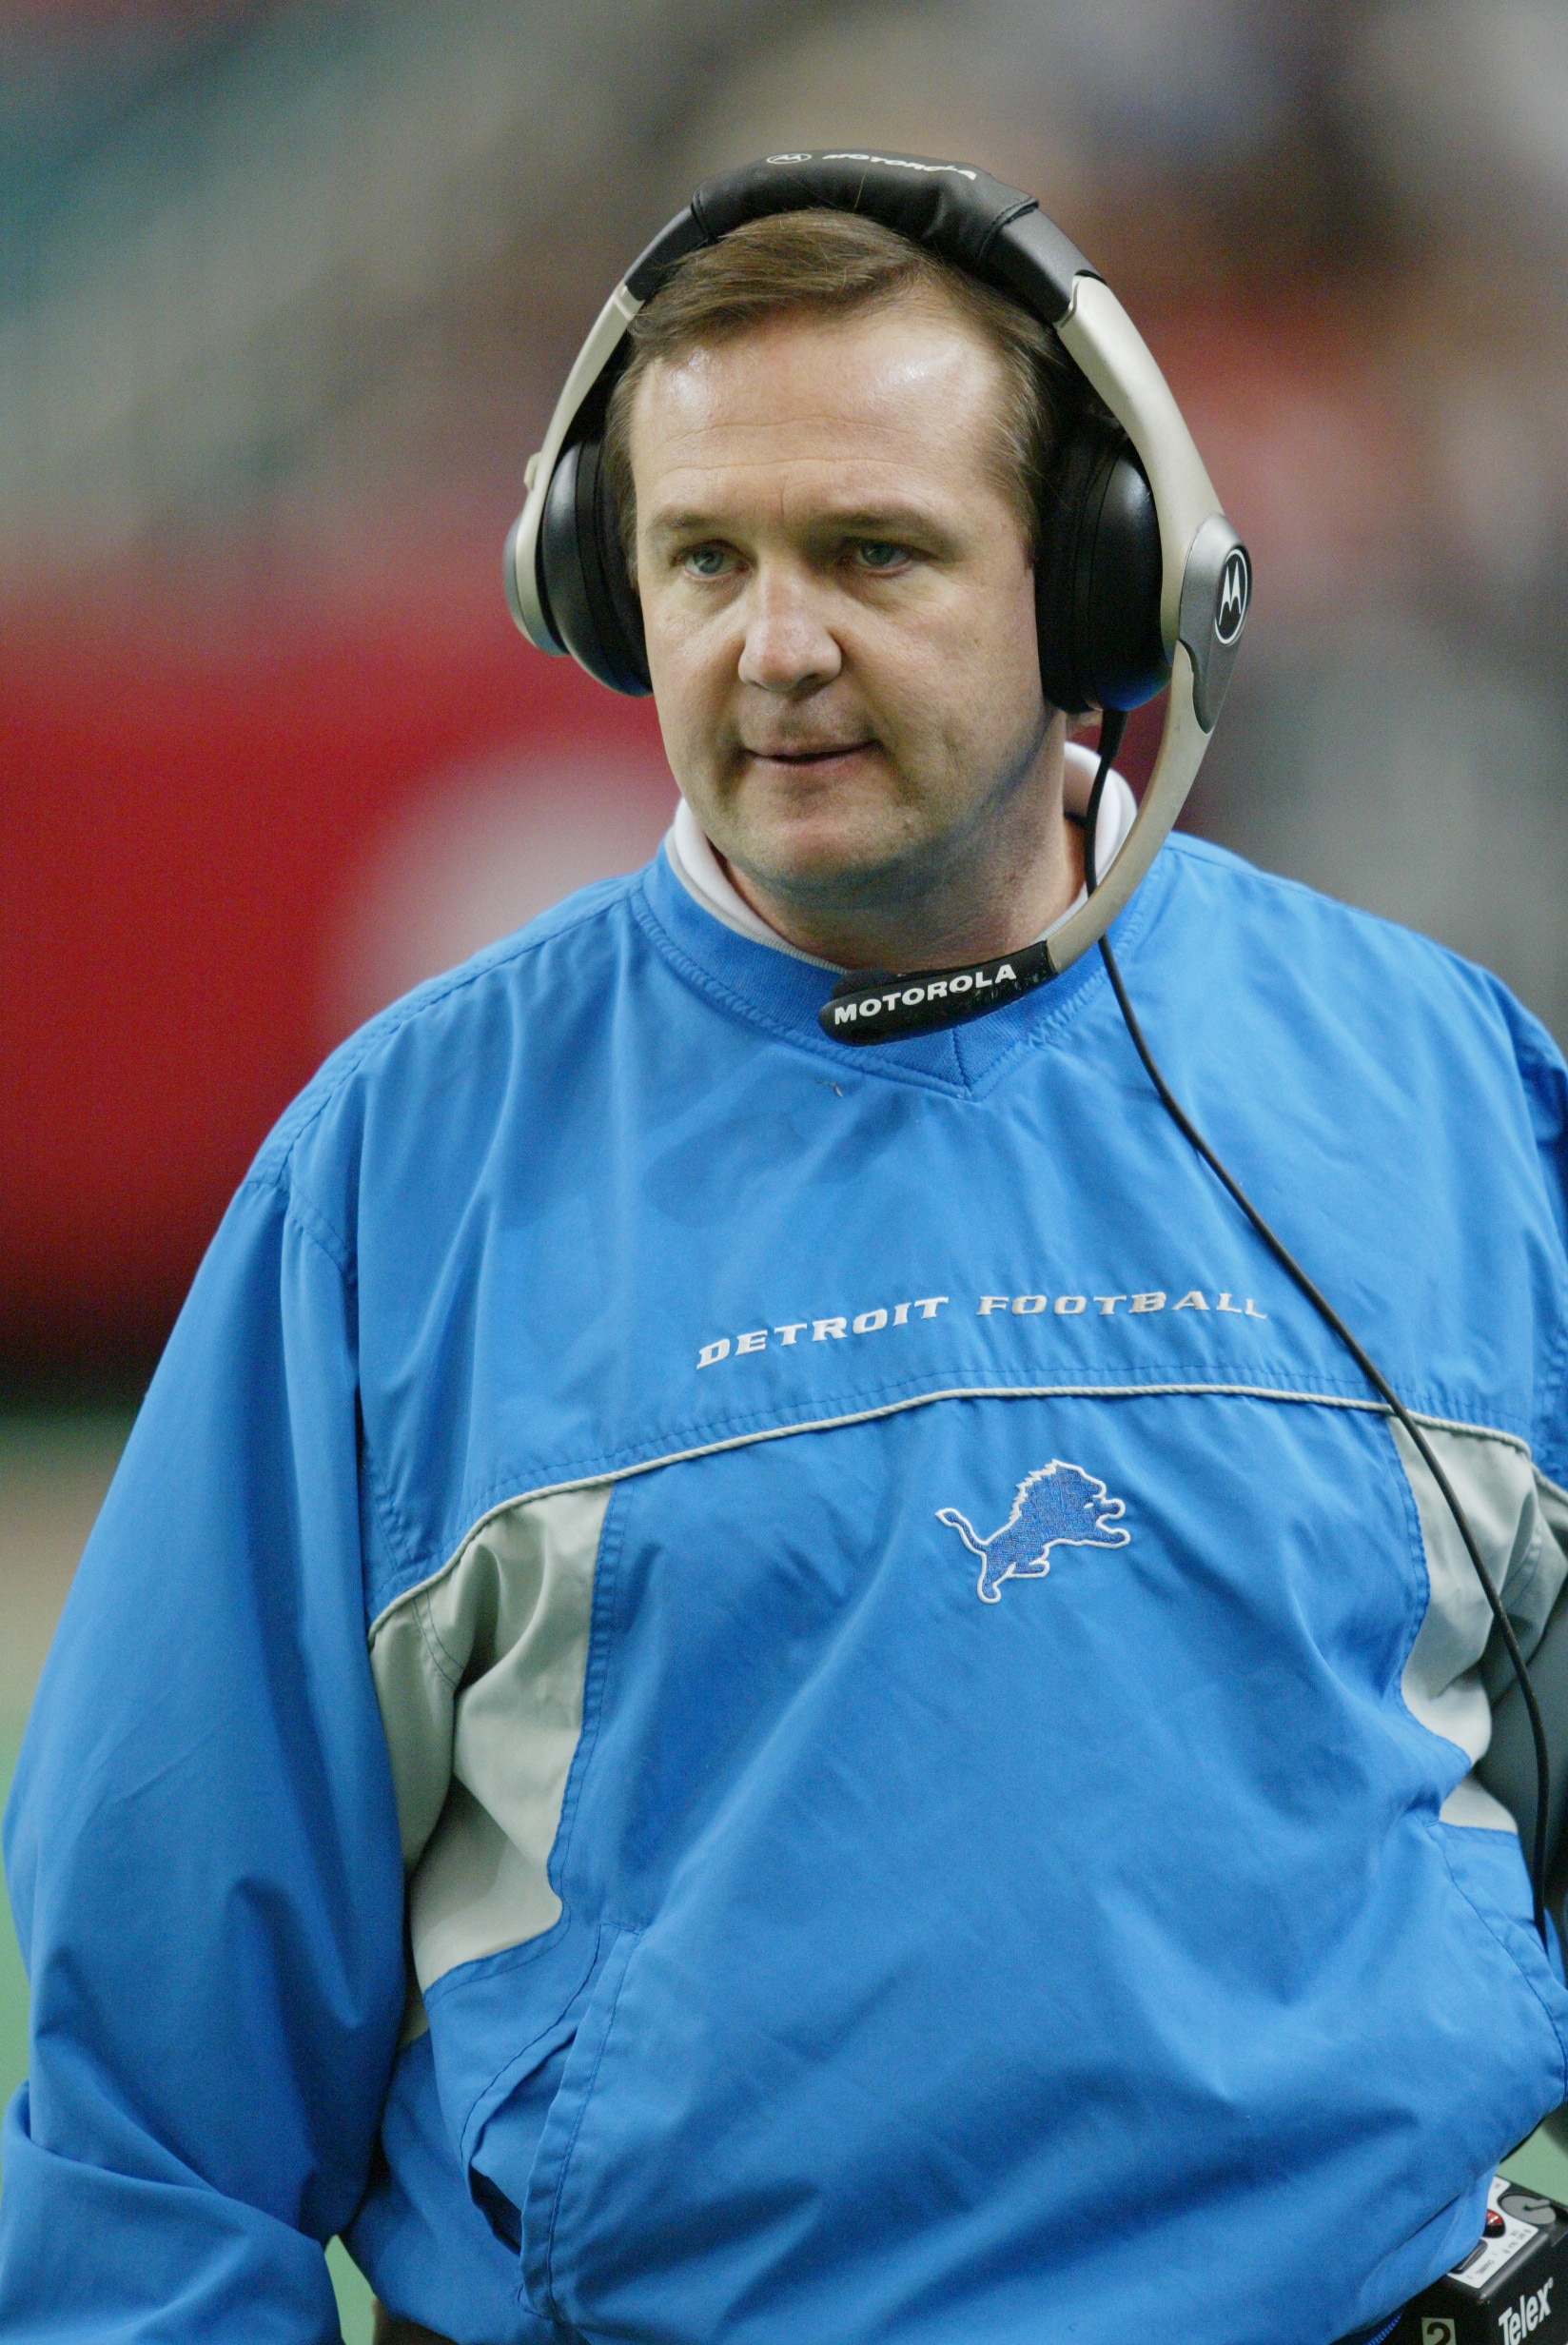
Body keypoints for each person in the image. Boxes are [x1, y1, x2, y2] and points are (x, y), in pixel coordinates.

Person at [2, 160, 1568, 2345]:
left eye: (871, 553)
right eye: (701, 559)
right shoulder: (395, 1173)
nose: (774, 641)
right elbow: (148, 2122)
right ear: (601, 588)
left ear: (1100, 589)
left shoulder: (1437, 1088)